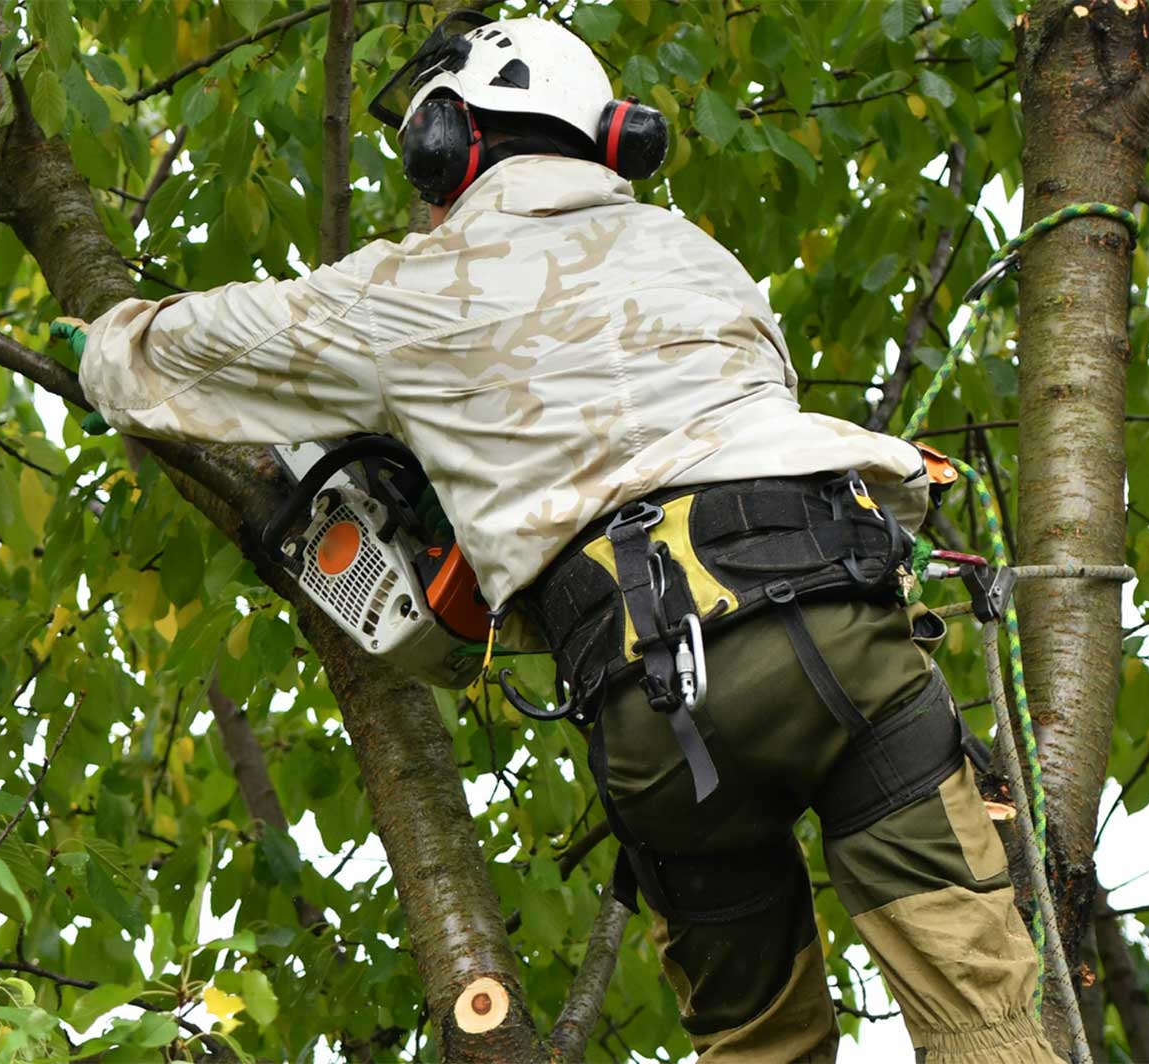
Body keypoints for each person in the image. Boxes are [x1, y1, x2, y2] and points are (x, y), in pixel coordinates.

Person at [76, 14, 1059, 1063]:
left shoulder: (413, 287)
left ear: (447, 140)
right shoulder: (702, 257)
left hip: (653, 697)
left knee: (760, 1045)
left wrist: (103, 349)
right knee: (982, 1013)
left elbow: (192, 350)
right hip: (843, 621)